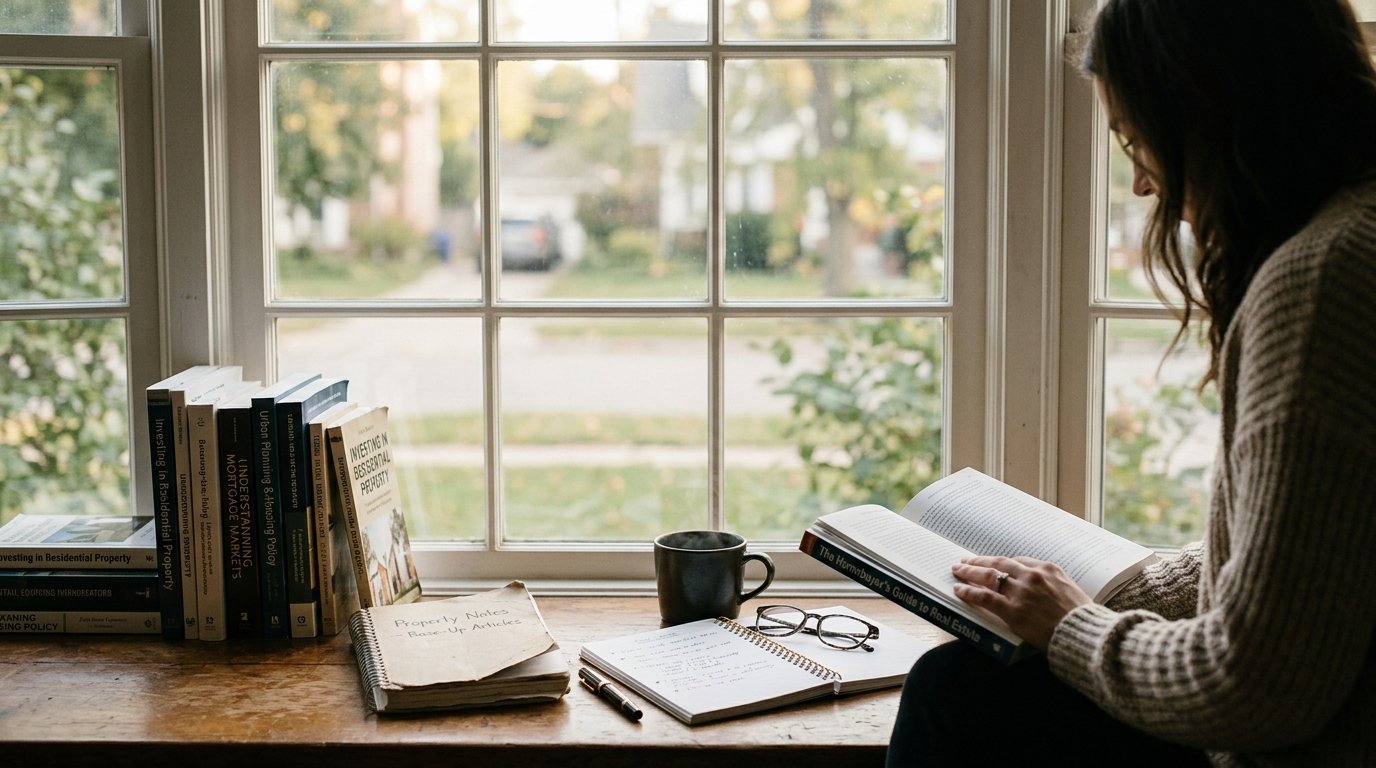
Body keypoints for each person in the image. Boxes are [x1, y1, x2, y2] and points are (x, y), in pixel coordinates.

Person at [886, 1, 1376, 765]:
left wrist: (1073, 625)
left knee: (959, 694)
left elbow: (1253, 687)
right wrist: (1127, 585)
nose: (1143, 184)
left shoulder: (1322, 286)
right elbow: (1324, 547)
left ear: (1211, 111)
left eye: (1134, 137)